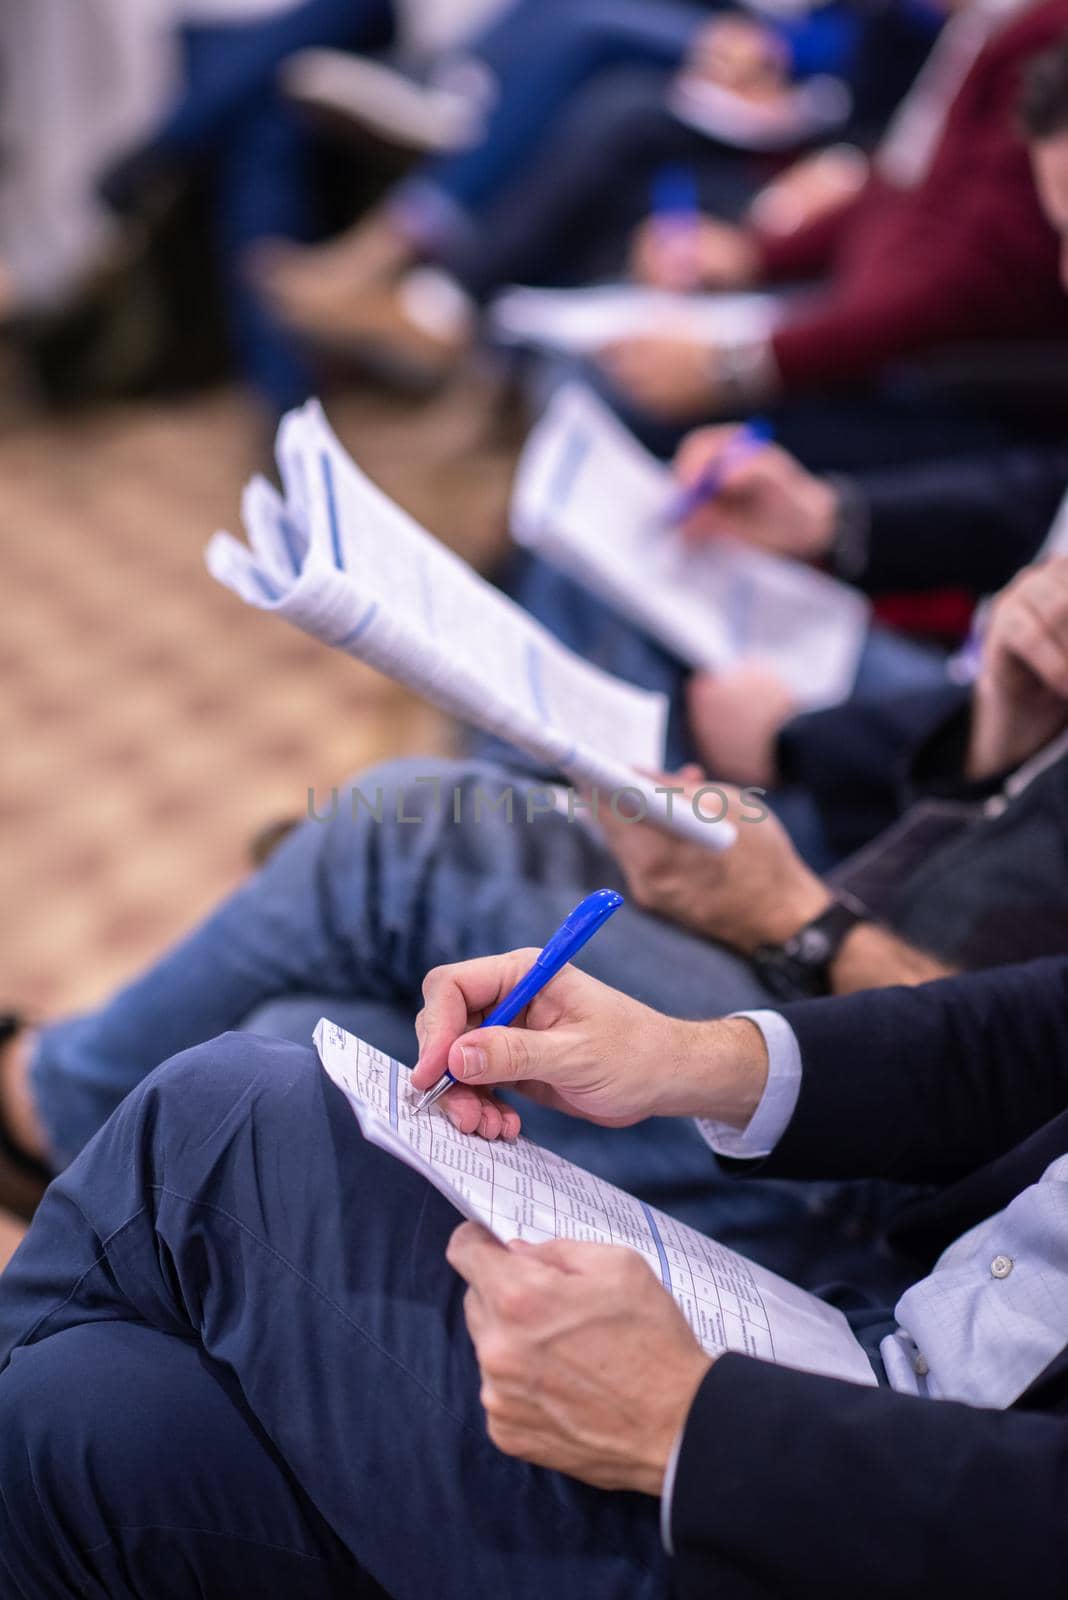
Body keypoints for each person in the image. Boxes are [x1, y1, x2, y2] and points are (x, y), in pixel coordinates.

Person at [4, 555, 1068, 1276]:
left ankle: (47, 1106)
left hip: (884, 1150)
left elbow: (1012, 1080)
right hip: (857, 969)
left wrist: (794, 914)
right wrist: (996, 753)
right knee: (294, 1040)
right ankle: (96, 1149)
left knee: (396, 835)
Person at [3, 946, 1068, 1596]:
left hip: (855, 1514)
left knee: (227, 1114)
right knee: (74, 1420)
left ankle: (35, 1097)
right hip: (864, 1357)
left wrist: (694, 1423)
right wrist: (692, 1061)